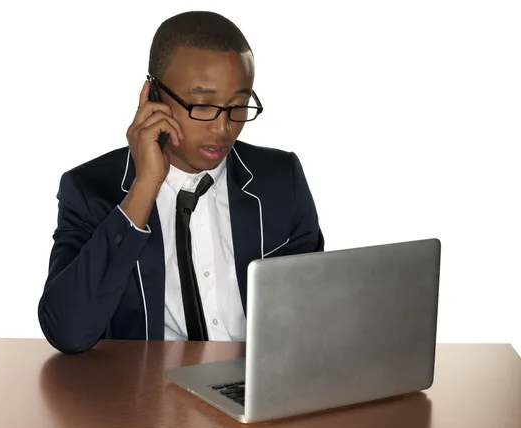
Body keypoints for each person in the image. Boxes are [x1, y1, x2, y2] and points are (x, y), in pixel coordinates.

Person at [38, 10, 324, 354]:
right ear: (154, 95)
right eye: (202, 106)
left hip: (258, 392)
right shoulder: (90, 191)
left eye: (238, 105)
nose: (222, 129)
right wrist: (143, 187)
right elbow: (68, 331)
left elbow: (314, 315)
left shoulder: (280, 179)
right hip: (150, 396)